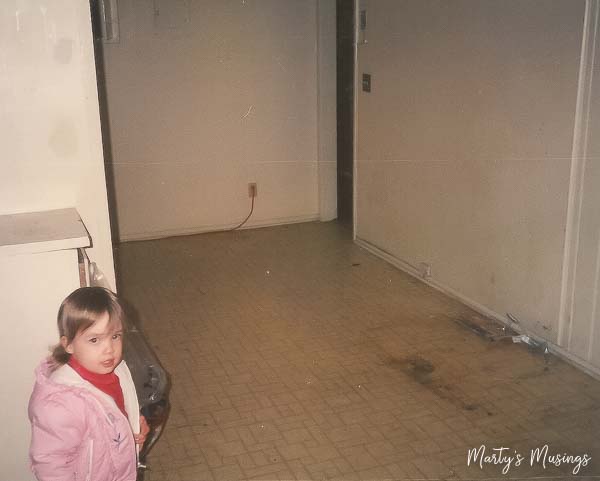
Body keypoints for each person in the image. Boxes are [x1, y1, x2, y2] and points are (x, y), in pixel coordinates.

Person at [28, 287, 150, 481]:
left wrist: (131, 424)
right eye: (95, 340)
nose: (109, 349)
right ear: (68, 344)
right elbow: (50, 465)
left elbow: (113, 410)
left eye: (115, 336)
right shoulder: (60, 405)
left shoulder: (116, 370)